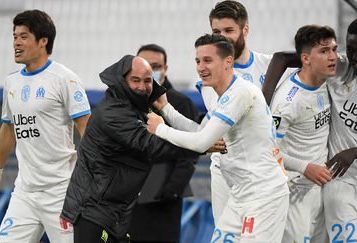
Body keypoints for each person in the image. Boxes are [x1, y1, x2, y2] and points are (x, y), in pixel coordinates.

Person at [263, 17, 357, 242]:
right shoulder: (337, 67)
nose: (356, 57)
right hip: (338, 184)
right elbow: (282, 57)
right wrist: (262, 107)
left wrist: (354, 152)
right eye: (351, 50)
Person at [148, 34, 289, 242]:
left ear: (228, 62)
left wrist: (160, 129)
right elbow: (200, 132)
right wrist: (166, 109)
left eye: (207, 60)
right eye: (197, 61)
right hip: (240, 194)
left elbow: (201, 143)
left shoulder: (240, 93)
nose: (201, 67)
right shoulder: (222, 96)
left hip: (264, 196)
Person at [60, 55, 205, 243]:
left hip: (115, 215)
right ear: (122, 81)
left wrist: (167, 109)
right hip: (91, 214)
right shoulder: (113, 113)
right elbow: (153, 147)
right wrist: (202, 145)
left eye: (147, 81)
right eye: (135, 80)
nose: (142, 87)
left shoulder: (137, 109)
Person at [0, 10, 91, 242]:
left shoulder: (65, 79)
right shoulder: (11, 81)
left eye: (23, 37)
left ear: (43, 42)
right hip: (25, 192)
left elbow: (87, 130)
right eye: (14, 36)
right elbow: (8, 128)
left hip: (61, 191)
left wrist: (89, 177)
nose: (16, 43)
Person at [202, 0, 295, 223]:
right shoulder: (210, 77)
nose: (222, 37)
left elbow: (312, 61)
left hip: (268, 169)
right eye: (216, 31)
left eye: (229, 30)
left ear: (246, 29)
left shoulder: (272, 66)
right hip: (227, 171)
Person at [270, 25, 336, 242]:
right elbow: (267, 149)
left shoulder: (330, 79)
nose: (333, 57)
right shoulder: (288, 102)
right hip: (294, 189)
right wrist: (304, 167)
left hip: (322, 187)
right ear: (306, 59)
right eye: (324, 51)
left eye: (334, 49)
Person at [128, 44, 199, 243]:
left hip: (163, 200)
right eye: (145, 66)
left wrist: (171, 191)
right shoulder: (126, 102)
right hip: (129, 197)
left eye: (156, 65)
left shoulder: (181, 103)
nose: (150, 70)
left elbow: (190, 153)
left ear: (165, 69)